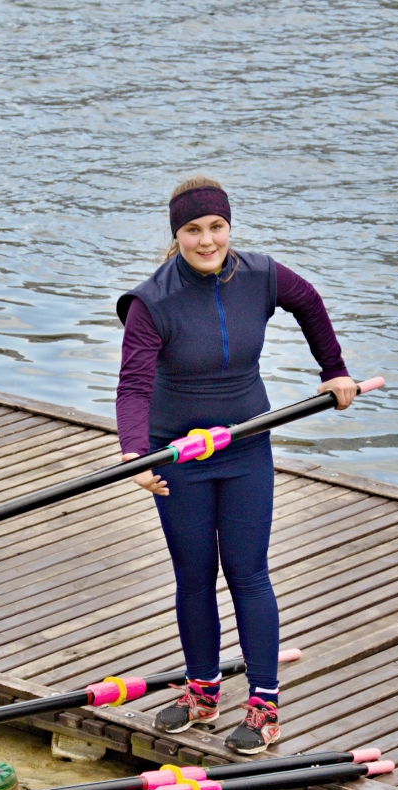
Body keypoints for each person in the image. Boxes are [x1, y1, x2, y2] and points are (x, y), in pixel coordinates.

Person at [115, 174, 357, 754]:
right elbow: (133, 386)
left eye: (216, 227)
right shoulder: (152, 302)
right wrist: (134, 454)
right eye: (193, 230)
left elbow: (309, 303)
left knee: (248, 573)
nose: (207, 240)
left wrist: (334, 370)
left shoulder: (261, 275)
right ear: (176, 235)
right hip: (179, 454)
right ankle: (202, 692)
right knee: (194, 575)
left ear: (229, 227)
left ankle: (264, 706)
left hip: (246, 445)